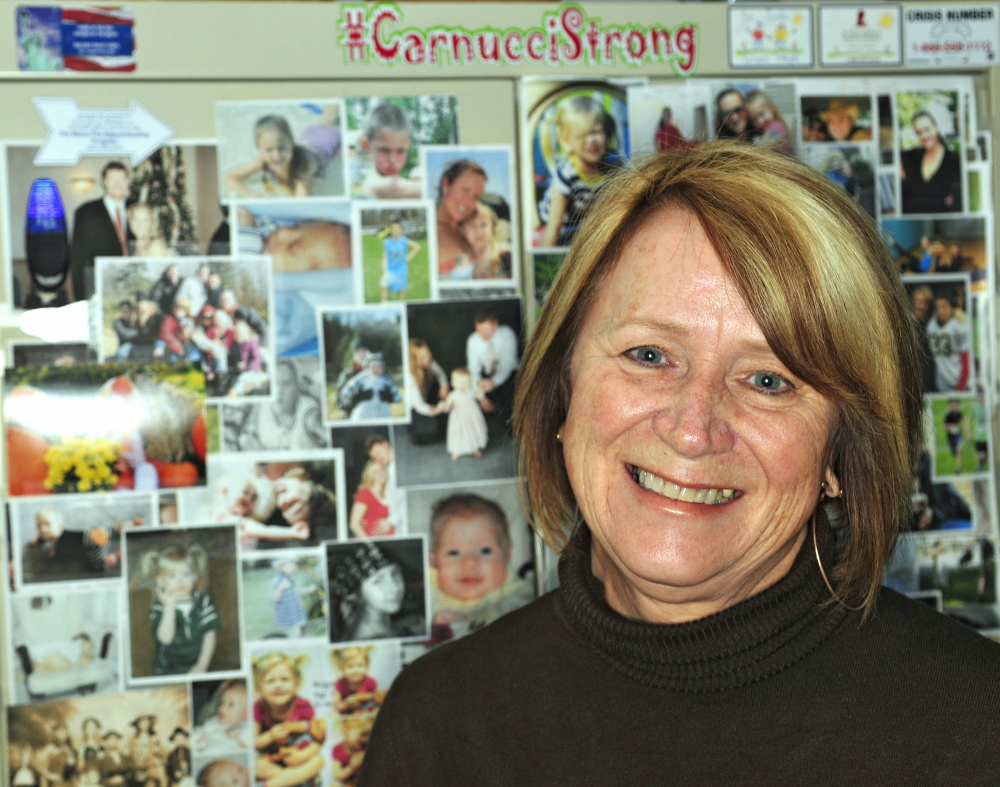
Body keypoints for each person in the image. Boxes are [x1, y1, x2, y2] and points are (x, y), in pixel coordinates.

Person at [358, 144, 1000, 784]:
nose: (692, 431)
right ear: (564, 389)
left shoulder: (977, 734)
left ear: (839, 453)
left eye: (769, 381)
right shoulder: (438, 724)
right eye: (649, 354)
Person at [427, 493, 533, 641]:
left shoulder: (516, 593)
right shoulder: (430, 590)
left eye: (485, 551)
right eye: (454, 553)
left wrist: (468, 622)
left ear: (507, 555)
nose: (470, 563)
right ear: (433, 560)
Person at [538, 95, 623, 248]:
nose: (591, 140)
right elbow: (554, 227)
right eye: (582, 135)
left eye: (596, 132)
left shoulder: (615, 166)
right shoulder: (566, 174)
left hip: (587, 217)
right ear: (566, 142)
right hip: (563, 220)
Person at [140, 543, 219, 675]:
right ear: (160, 581)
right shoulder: (159, 606)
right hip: (168, 668)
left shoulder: (203, 602)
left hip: (199, 665)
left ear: (195, 576)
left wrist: (202, 665)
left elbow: (210, 634)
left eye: (186, 574)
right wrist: (169, 606)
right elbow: (165, 639)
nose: (180, 581)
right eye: (172, 576)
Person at [252, 651, 325, 787]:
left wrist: (301, 756)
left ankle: (275, 784)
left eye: (284, 680)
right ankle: (293, 781)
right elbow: (254, 742)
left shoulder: (303, 705)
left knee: (319, 761)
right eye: (270, 681)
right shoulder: (258, 707)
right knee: (254, 764)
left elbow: (319, 740)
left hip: (298, 756)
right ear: (259, 688)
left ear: (296, 684)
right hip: (272, 759)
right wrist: (270, 736)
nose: (278, 685)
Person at [328, 542, 424, 642]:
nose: (395, 588)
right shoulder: (371, 640)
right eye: (378, 581)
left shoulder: (376, 618)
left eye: (395, 574)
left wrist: (401, 625)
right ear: (356, 593)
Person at [70, 161, 133, 301]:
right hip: (101, 289)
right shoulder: (86, 212)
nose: (118, 184)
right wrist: (82, 299)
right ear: (104, 182)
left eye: (122, 179)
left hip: (134, 285)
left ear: (128, 181)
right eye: (112, 179)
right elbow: (78, 259)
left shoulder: (136, 209)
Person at [225, 114, 328, 199]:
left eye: (282, 148)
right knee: (323, 120)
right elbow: (231, 177)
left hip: (325, 147)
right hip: (308, 139)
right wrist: (251, 195)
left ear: (292, 142)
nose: (276, 156)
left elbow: (301, 200)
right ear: (258, 147)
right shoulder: (263, 160)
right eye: (269, 150)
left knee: (329, 120)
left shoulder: (304, 164)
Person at [900, 108, 963, 213]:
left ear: (936, 127)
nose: (924, 136)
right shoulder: (911, 157)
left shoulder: (954, 160)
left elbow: (955, 204)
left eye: (927, 129)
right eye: (919, 132)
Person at [465, 309, 519, 427]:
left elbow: (508, 365)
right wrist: (480, 396)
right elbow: (473, 371)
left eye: (486, 330)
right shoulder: (473, 340)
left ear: (495, 324)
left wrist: (494, 382)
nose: (483, 335)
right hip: (486, 376)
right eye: (479, 331)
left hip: (510, 375)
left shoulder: (507, 334)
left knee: (510, 396)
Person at [355, 103, 421, 199]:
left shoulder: (410, 188)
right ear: (366, 145)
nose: (393, 159)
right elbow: (393, 187)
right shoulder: (370, 185)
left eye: (400, 151)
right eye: (385, 150)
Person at [435, 159, 487, 276]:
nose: (469, 203)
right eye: (465, 190)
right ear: (445, 185)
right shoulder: (429, 233)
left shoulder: (466, 229)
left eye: (476, 197)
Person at [405, 338, 449, 444]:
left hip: (425, 397)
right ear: (414, 360)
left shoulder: (428, 360)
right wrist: (435, 410)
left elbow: (440, 374)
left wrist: (444, 386)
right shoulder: (409, 377)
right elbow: (419, 405)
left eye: (428, 353)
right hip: (414, 407)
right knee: (427, 435)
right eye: (423, 356)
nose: (428, 358)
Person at [927, 291, 971, 392]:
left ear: (952, 308)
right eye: (937, 307)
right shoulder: (931, 326)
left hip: (960, 381)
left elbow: (966, 357)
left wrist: (962, 384)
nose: (940, 311)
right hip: (942, 383)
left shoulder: (959, 326)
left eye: (944, 307)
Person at [442, 367, 488, 461]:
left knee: (473, 432)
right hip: (459, 419)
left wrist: (481, 389)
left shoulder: (471, 391)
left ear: (470, 383)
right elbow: (447, 407)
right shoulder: (453, 395)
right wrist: (445, 406)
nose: (462, 386)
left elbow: (480, 395)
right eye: (459, 383)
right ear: (453, 382)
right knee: (459, 434)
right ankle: (457, 450)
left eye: (465, 383)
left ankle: (474, 447)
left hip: (472, 417)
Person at [339, 353, 402, 421]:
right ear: (367, 367)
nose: (376, 369)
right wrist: (351, 396)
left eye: (378, 367)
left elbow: (393, 389)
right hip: (365, 406)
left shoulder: (385, 379)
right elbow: (350, 386)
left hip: (381, 405)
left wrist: (393, 398)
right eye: (373, 367)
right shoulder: (362, 377)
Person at [457, 201, 511, 280]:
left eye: (483, 225)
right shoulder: (456, 258)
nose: (478, 231)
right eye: (472, 225)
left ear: (492, 228)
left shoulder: (506, 257)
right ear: (462, 230)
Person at [194, 679, 250, 752]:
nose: (222, 707)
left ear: (246, 714)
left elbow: (250, 745)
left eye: (231, 704)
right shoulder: (214, 722)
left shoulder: (246, 727)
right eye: (222, 702)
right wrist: (199, 737)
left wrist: (240, 737)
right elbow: (199, 730)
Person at [331, 645, 385, 716]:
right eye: (350, 666)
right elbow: (336, 705)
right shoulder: (340, 683)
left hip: (366, 715)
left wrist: (358, 697)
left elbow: (376, 698)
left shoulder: (370, 682)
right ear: (342, 668)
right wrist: (348, 703)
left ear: (367, 666)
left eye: (360, 666)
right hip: (347, 717)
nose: (355, 670)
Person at [379, 218, 420, 301]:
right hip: (391, 270)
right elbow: (385, 258)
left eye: (398, 228)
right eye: (393, 228)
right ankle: (384, 305)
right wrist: (385, 272)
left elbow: (417, 247)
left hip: (401, 270)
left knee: (401, 292)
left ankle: (401, 306)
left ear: (401, 230)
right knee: (383, 285)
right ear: (390, 230)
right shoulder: (386, 242)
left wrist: (408, 257)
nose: (395, 230)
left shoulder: (404, 241)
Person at [349, 461, 393, 538]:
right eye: (376, 471)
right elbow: (354, 524)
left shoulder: (390, 492)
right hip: (375, 543)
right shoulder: (365, 494)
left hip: (391, 541)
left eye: (382, 469)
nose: (381, 473)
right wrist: (369, 544)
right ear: (370, 475)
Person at [745, 89, 791, 155]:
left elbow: (765, 149)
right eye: (754, 119)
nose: (760, 121)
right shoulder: (763, 130)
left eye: (762, 114)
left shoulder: (776, 126)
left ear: (772, 108)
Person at [271, 556, 308, 638]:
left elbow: (294, 591)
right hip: (289, 617)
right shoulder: (278, 581)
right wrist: (280, 588)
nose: (291, 567)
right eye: (288, 565)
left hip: (296, 612)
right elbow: (274, 600)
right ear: (280, 567)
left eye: (292, 564)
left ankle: (300, 639)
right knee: (295, 634)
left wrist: (308, 589)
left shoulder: (289, 577)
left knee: (303, 625)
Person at [331, 717, 373, 786]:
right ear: (346, 729)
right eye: (362, 734)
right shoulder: (339, 749)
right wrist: (351, 767)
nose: (365, 739)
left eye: (368, 735)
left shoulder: (366, 747)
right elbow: (337, 775)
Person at [943, 398, 969, 471]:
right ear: (950, 405)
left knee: (958, 451)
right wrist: (951, 426)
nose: (954, 406)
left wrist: (967, 432)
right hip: (951, 438)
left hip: (958, 436)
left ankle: (958, 469)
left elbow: (963, 423)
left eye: (956, 405)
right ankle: (956, 455)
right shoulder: (948, 415)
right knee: (954, 453)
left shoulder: (959, 414)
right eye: (953, 405)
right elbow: (944, 426)